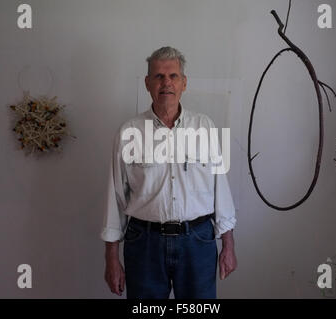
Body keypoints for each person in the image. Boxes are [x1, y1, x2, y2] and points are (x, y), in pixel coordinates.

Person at [101, 46, 237, 299]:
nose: (166, 83)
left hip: (198, 240)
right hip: (144, 244)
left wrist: (228, 244)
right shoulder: (129, 132)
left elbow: (221, 189)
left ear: (184, 83)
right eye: (159, 76)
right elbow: (116, 198)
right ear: (147, 83)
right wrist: (111, 258)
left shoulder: (205, 126)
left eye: (173, 76)